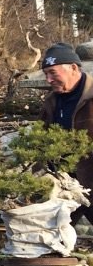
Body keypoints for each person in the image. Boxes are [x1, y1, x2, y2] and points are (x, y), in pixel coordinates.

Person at [39, 42, 93, 222]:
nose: (49, 80)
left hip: (90, 174)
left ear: (73, 68)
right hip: (64, 180)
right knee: (55, 230)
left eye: (53, 73)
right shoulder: (51, 102)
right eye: (46, 74)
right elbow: (41, 140)